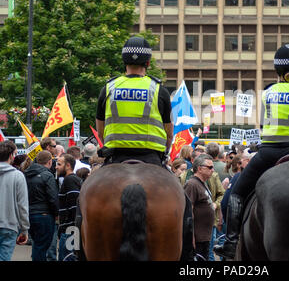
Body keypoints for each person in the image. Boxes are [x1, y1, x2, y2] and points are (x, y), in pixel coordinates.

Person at [214, 44, 289, 259]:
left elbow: (264, 125)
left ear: (276, 70)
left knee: (235, 195)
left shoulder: (268, 92)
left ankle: (231, 242)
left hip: (268, 154)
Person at [95, 36, 173, 165]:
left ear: (124, 61)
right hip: (151, 157)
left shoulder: (109, 88)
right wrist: (165, 152)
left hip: (115, 156)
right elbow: (169, 134)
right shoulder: (159, 90)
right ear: (147, 63)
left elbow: (100, 131)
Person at [23, 150, 59, 261]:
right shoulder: (47, 175)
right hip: (44, 215)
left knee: (37, 244)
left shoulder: (25, 174)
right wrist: (57, 213)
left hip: (29, 214)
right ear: (49, 162)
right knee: (42, 246)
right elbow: (53, 197)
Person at [0, 141, 30, 261]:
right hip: (9, 225)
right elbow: (22, 205)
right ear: (11, 155)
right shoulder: (18, 176)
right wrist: (24, 229)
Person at [183, 154, 216, 260]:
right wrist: (191, 236)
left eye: (213, 167)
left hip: (204, 237)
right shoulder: (192, 184)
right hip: (197, 239)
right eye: (210, 167)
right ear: (199, 169)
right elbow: (188, 212)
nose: (212, 170)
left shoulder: (202, 183)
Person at [56, 153, 82, 261]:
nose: (56, 166)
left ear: (68, 166)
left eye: (59, 164)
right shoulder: (71, 180)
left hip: (70, 230)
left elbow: (74, 207)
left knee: (67, 258)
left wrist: (70, 229)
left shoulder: (70, 180)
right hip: (69, 229)